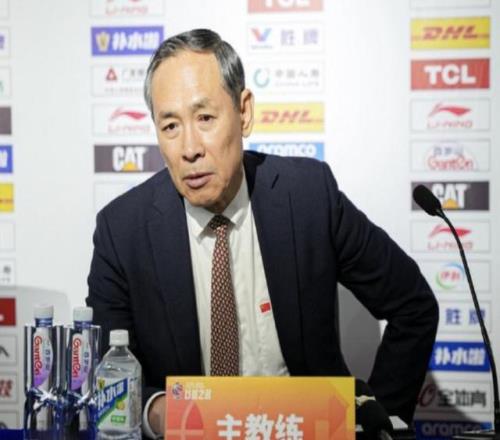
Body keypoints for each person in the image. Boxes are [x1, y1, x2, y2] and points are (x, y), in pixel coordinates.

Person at [87, 28, 438, 438]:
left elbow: (413, 306)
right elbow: (105, 373)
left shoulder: (308, 197)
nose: (189, 148)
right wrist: (157, 412)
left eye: (205, 118)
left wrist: (379, 421)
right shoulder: (122, 231)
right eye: (170, 126)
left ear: (244, 112)